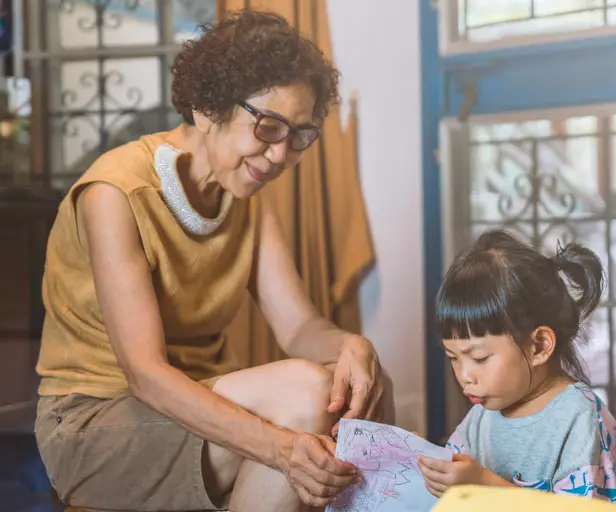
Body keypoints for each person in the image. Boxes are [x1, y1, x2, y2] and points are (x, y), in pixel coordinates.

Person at [34, 9, 392, 512]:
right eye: (268, 126)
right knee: (306, 393)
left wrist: (350, 345)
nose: (279, 154)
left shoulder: (246, 198)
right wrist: (279, 445)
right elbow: (145, 375)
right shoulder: (114, 194)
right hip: (97, 422)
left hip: (194, 402)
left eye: (300, 136)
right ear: (207, 108)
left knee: (354, 380)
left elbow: (300, 328)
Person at [417, 230, 616, 507]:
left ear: (539, 346)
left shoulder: (580, 419)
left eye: (479, 358)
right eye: (453, 357)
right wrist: (422, 459)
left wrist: (483, 485)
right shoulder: (482, 415)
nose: (464, 376)